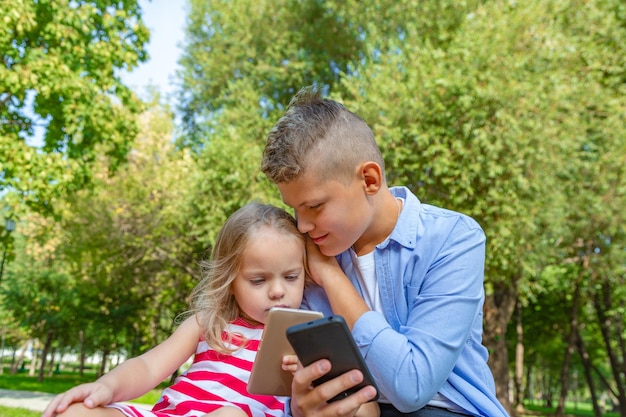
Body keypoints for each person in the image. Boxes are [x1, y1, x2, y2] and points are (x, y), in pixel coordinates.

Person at [261, 86, 510, 417]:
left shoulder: (452, 239)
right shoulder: (306, 252)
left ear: (369, 179)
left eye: (315, 206)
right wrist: (301, 408)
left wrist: (332, 277)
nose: (303, 226)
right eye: (294, 209)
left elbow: (412, 386)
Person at [42, 203, 314, 417]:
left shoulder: (303, 336)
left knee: (231, 415)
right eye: (258, 280)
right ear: (230, 281)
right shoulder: (210, 322)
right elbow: (148, 367)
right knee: (73, 411)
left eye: (291, 277)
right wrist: (107, 387)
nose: (278, 291)